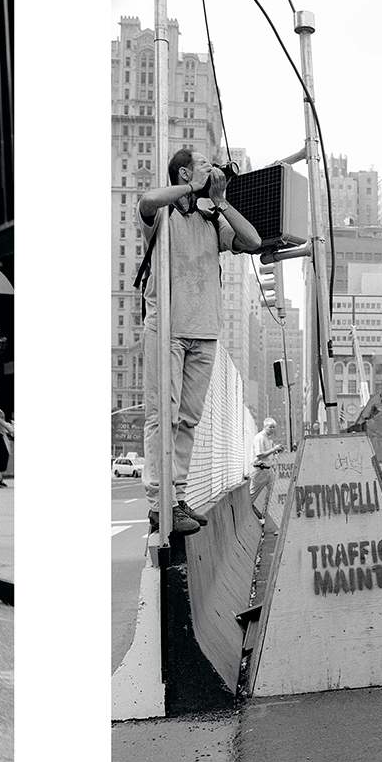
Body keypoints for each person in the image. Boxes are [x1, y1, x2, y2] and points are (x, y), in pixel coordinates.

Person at [136, 149, 262, 534]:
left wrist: (221, 201)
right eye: (206, 165)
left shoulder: (212, 219)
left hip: (205, 331)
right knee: (163, 416)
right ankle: (161, 505)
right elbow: (146, 201)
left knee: (187, 421)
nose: (214, 169)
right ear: (186, 172)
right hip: (167, 329)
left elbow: (253, 241)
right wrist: (190, 188)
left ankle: (178, 498)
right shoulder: (163, 215)